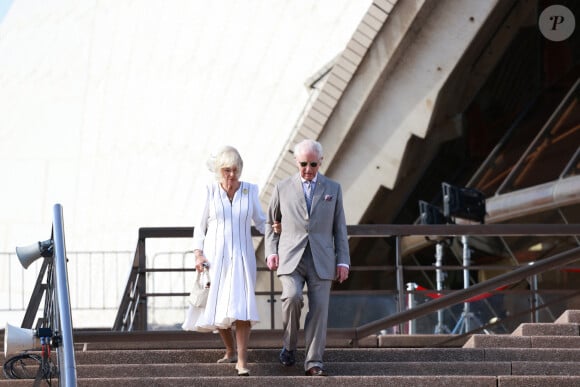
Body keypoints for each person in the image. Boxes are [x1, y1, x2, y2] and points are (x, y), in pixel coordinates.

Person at [265, 139, 350, 377]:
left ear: (321, 162)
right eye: (304, 164)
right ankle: (289, 346)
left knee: (320, 308)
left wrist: (343, 260)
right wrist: (271, 251)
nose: (308, 169)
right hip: (291, 257)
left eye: (313, 164)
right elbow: (270, 223)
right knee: (291, 298)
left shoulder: (333, 189)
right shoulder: (282, 187)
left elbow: (339, 228)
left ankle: (314, 362)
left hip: (322, 259)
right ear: (296, 161)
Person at [182, 145, 266, 377]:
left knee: (242, 308)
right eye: (227, 170)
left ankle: (241, 360)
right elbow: (200, 227)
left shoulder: (250, 190)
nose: (231, 175)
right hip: (215, 257)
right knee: (218, 305)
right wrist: (198, 253)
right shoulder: (209, 191)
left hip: (241, 256)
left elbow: (261, 221)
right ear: (219, 171)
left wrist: (277, 230)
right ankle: (230, 350)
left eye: (235, 170)